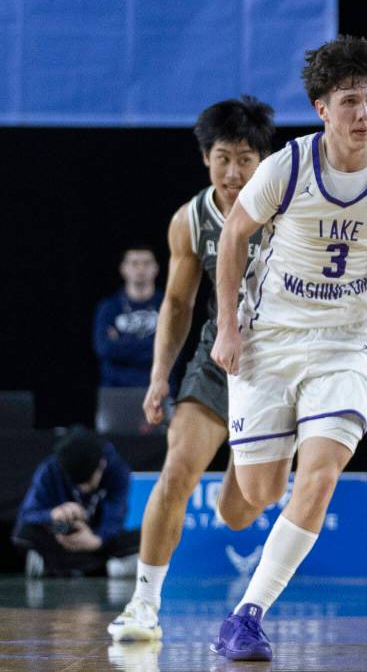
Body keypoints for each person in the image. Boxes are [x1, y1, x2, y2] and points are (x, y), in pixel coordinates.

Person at [209, 35, 367, 661]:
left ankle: (246, 616)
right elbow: (233, 238)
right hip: (270, 338)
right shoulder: (288, 166)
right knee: (255, 496)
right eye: (350, 102)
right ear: (321, 108)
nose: (364, 114)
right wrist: (227, 326)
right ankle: (243, 460)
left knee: (323, 472)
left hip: (344, 341)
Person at [107, 96, 275, 642]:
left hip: (280, 361)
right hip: (217, 354)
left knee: (237, 515)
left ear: (263, 160)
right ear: (206, 158)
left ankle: (243, 460)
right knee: (177, 470)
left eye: (246, 159)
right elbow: (176, 306)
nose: (233, 172)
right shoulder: (190, 219)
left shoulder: (289, 206)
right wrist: (159, 376)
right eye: (223, 157)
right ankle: (143, 605)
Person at [13, 432, 139, 577]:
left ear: (101, 465)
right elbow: (27, 514)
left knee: (141, 537)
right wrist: (53, 514)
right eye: (77, 483)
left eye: (87, 481)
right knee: (24, 531)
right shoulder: (50, 468)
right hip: (62, 530)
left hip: (97, 535)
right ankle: (98, 569)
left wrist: (96, 540)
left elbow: (115, 519)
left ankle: (59, 567)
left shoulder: (118, 470)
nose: (83, 489)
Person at [93, 246, 162, 387]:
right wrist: (155, 345)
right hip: (115, 391)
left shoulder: (168, 306)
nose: (141, 269)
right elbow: (104, 348)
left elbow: (175, 352)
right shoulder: (108, 307)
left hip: (158, 391)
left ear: (156, 268)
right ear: (123, 268)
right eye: (134, 263)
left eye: (147, 263)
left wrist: (121, 342)